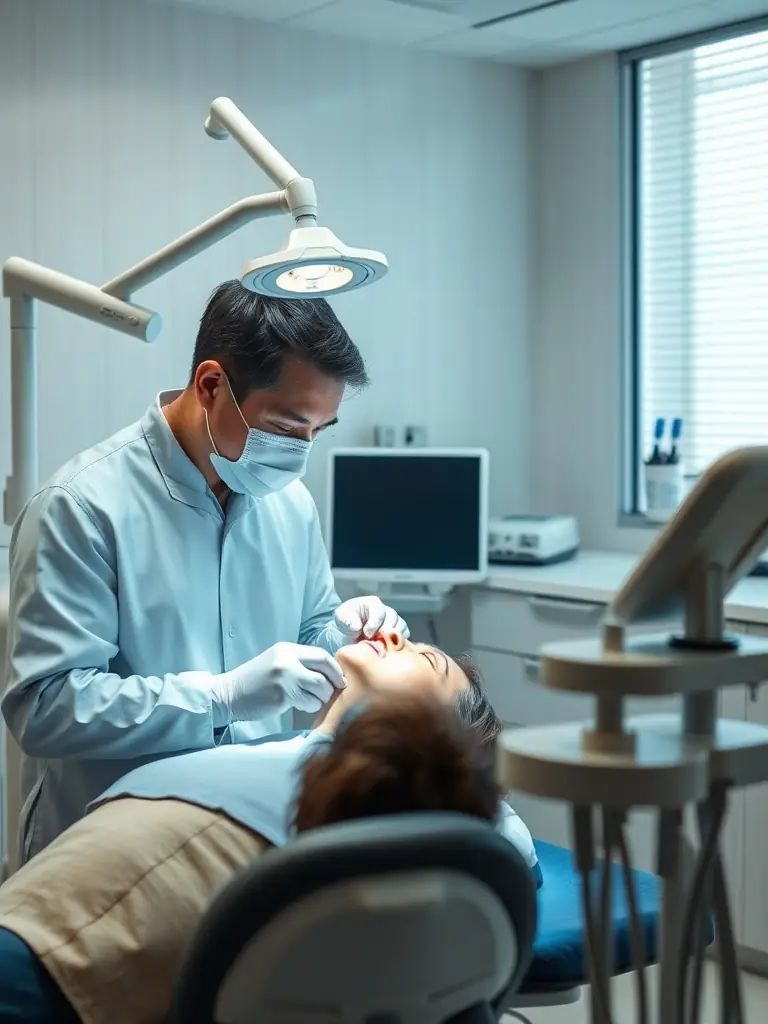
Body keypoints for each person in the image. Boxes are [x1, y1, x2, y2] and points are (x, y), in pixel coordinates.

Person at [2, 281, 408, 862]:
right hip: (111, 848)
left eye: (320, 431)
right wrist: (218, 699)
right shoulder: (82, 506)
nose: (302, 452)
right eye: (289, 428)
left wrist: (338, 634)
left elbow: (304, 640)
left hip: (250, 833)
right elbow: (45, 709)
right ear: (212, 385)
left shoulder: (289, 503)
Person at [0, 633, 539, 1024]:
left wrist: (461, 773)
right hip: (44, 906)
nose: (394, 632)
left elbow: (501, 839)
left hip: (56, 956)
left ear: (444, 733)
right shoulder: (277, 750)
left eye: (425, 658)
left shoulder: (401, 809)